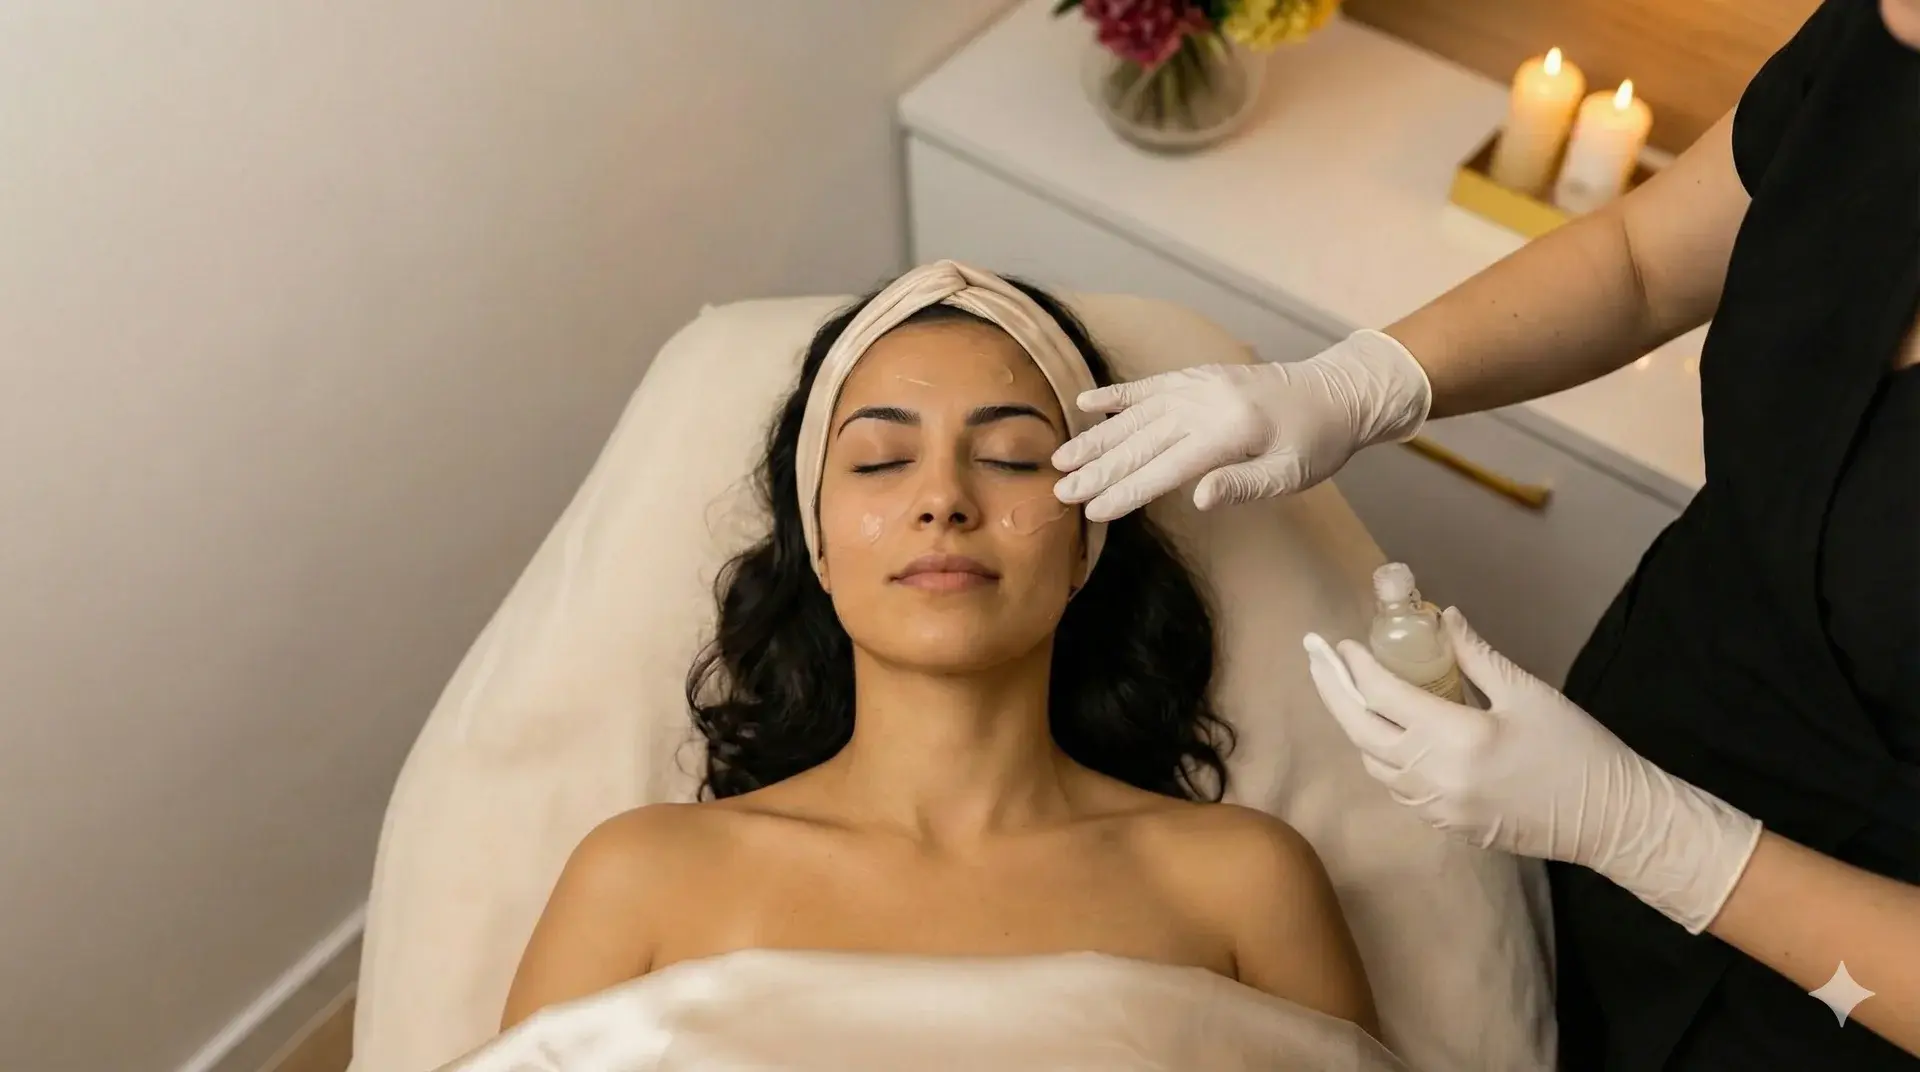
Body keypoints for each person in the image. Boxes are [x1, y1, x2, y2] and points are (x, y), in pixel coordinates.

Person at [1051, 1, 1920, 1066]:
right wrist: (1363, 383)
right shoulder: (1884, 49)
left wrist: (1653, 835)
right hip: (1653, 720)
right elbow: (1645, 259)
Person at [483, 264, 1388, 1068]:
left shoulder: (1244, 882)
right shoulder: (641, 875)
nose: (944, 500)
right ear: (822, 552)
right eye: (880, 463)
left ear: (1085, 546)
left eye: (1010, 458)